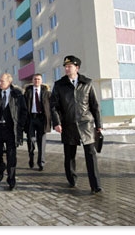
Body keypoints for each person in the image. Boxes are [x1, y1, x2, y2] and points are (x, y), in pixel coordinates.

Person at [50, 55, 103, 194]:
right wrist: (57, 122)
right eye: (65, 67)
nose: (67, 69)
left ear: (77, 68)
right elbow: (54, 106)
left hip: (86, 124)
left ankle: (96, 185)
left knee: (91, 154)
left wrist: (99, 124)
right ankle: (72, 179)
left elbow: (95, 106)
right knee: (69, 155)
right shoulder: (59, 85)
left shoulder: (87, 83)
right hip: (68, 125)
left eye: (69, 66)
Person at [0, 73, 27, 190]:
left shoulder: (17, 95)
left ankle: (11, 180)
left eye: (2, 81)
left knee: (11, 157)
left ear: (9, 82)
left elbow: (24, 111)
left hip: (11, 130)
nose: (0, 83)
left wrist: (20, 125)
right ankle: (1, 168)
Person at [24, 73, 52, 171]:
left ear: (41, 81)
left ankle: (41, 162)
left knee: (42, 142)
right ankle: (31, 156)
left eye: (39, 79)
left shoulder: (47, 93)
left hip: (42, 119)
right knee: (31, 140)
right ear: (32, 80)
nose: (37, 81)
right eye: (35, 79)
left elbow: (51, 107)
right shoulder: (27, 92)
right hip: (31, 118)